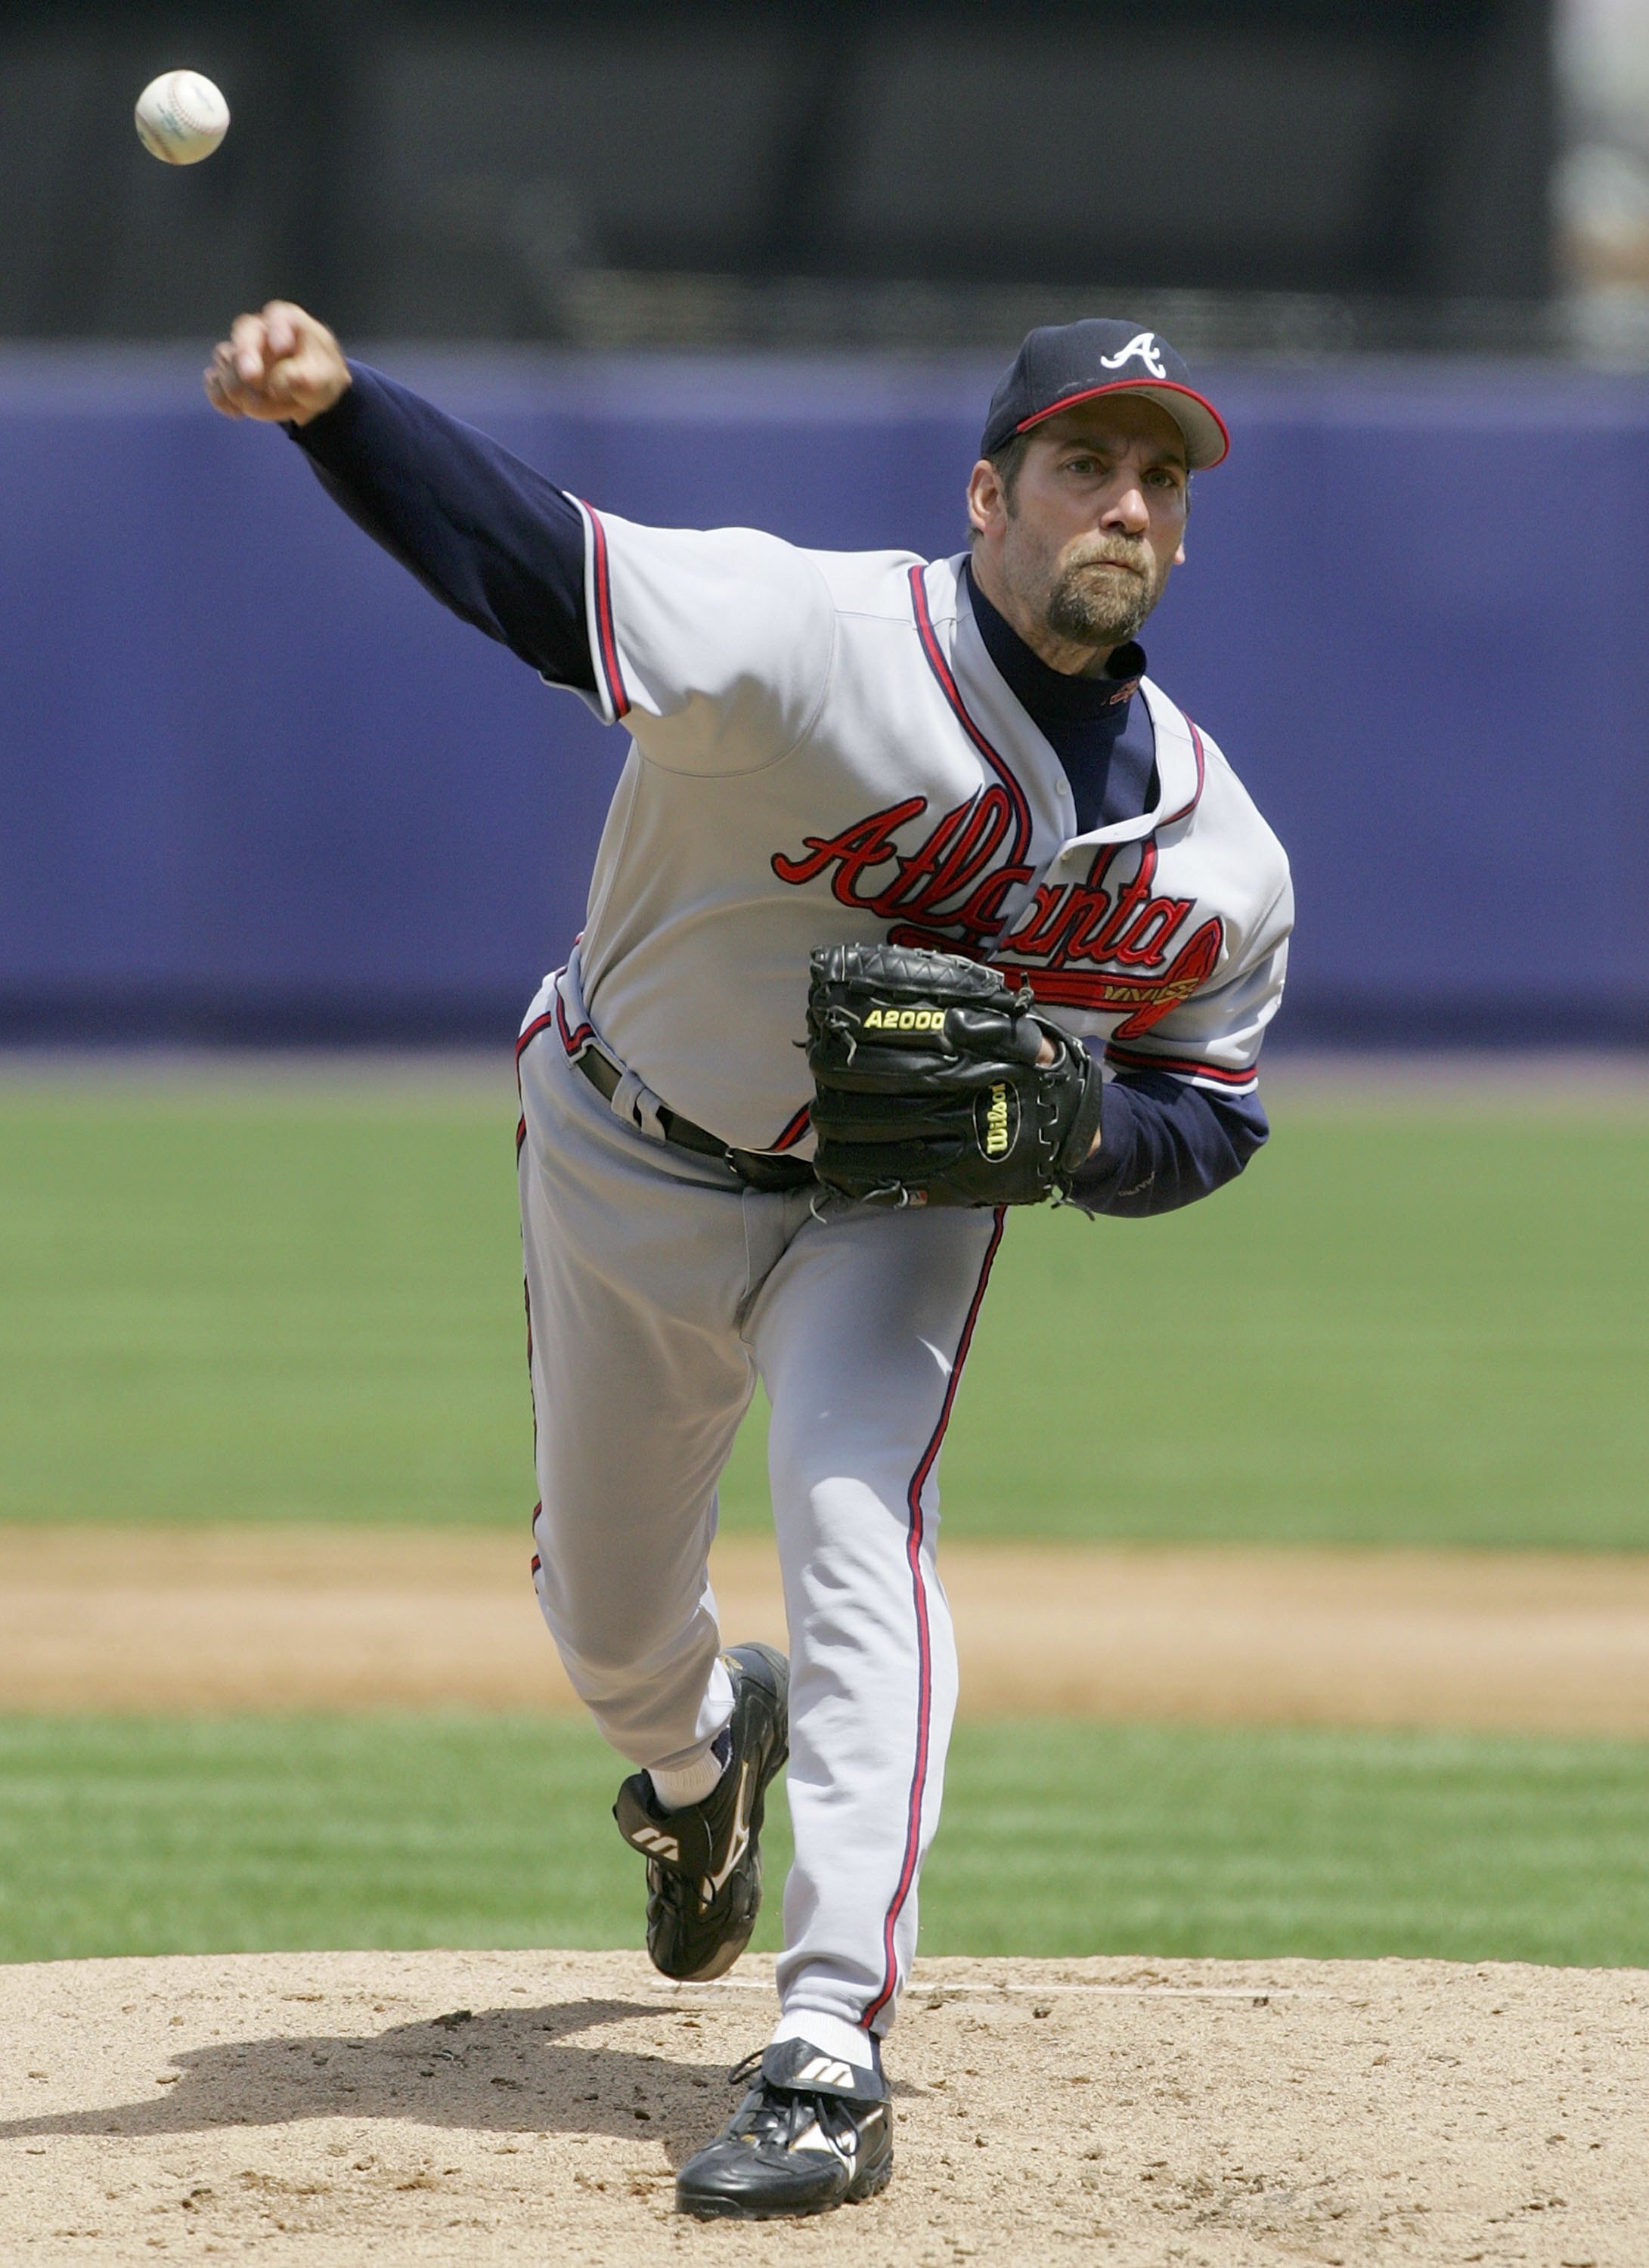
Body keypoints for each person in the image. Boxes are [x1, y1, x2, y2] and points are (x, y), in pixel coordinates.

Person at [206, 305, 1291, 2220]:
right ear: (989, 494)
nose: (1119, 500)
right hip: (619, 1144)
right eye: (1078, 462)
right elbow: (535, 567)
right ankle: (702, 1767)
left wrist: (1073, 1137)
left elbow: (1205, 1107)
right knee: (613, 1632)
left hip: (885, 1209)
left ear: (1180, 535)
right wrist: (338, 409)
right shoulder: (806, 636)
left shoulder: (1214, 853)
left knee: (857, 1521)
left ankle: (824, 2046)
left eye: (1156, 477)